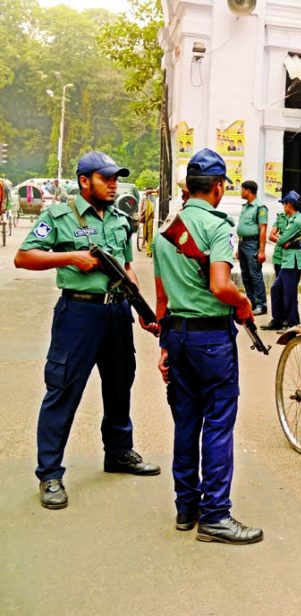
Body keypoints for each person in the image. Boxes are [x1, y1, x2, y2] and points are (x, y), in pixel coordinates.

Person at [14, 151, 161, 510]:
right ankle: (50, 473)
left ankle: (119, 453)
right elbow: (25, 256)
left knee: (119, 385)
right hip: (78, 313)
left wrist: (139, 305)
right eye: (105, 178)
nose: (113, 184)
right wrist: (71, 257)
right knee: (63, 390)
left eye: (115, 178)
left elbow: (127, 265)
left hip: (117, 312)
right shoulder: (59, 216)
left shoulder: (119, 220)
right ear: (85, 181)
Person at [153, 148, 262, 545]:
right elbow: (220, 285)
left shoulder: (166, 228)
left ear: (187, 187)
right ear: (218, 188)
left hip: (177, 335)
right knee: (217, 425)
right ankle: (216, 515)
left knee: (186, 422)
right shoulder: (219, 226)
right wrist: (243, 302)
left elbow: (161, 295)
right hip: (211, 339)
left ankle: (186, 508)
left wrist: (165, 344)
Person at [262, 191, 301, 331]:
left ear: (289, 204)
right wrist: (284, 241)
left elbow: (281, 240)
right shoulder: (290, 218)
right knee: (276, 289)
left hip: (293, 261)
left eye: (284, 204)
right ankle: (278, 320)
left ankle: (292, 324)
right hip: (286, 260)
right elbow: (279, 239)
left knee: (290, 294)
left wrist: (284, 240)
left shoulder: (297, 220)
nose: (283, 207)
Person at [236, 180, 268, 315]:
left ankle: (261, 304)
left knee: (255, 275)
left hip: (252, 244)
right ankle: (252, 302)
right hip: (242, 244)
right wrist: (239, 247)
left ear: (248, 191)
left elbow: (262, 229)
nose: (241, 192)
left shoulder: (260, 207)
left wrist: (261, 251)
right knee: (246, 275)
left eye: (242, 189)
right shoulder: (245, 206)